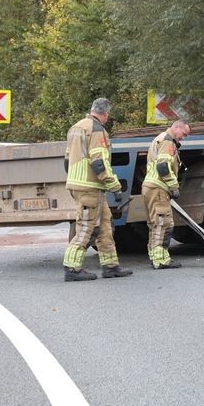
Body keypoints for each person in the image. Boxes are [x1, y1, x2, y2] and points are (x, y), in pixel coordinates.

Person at [62, 98, 133, 282]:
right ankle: (72, 268)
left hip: (81, 185)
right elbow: (99, 162)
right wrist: (114, 185)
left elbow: (67, 161)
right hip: (89, 187)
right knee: (87, 228)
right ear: (106, 113)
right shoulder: (96, 130)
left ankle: (110, 266)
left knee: (104, 226)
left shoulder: (75, 127)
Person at [143, 118, 192, 270]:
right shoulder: (167, 141)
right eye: (183, 133)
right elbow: (163, 166)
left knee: (154, 223)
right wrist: (173, 186)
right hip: (158, 187)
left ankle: (155, 256)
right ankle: (161, 260)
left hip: (151, 186)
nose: (183, 137)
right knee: (163, 223)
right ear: (176, 127)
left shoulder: (160, 139)